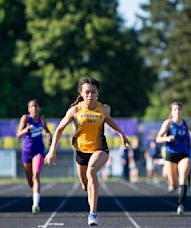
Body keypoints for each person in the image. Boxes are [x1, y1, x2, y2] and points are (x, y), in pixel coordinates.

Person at [44, 77, 130, 226]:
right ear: (81, 93)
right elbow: (59, 129)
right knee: (85, 184)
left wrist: (122, 134)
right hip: (81, 151)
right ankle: (90, 193)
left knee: (91, 172)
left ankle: (93, 213)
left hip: (99, 149)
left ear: (98, 94)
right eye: (87, 92)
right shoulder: (75, 110)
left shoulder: (103, 109)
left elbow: (109, 120)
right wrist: (52, 151)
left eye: (93, 92)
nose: (90, 95)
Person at [156, 101, 191, 215]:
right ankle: (171, 184)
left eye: (179, 109)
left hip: (184, 154)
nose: (178, 112)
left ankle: (181, 205)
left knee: (183, 177)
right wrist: (167, 139)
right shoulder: (168, 123)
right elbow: (158, 139)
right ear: (171, 112)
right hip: (171, 155)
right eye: (175, 109)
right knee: (174, 184)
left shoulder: (187, 123)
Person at [16, 99, 52, 214]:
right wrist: (26, 129)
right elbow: (18, 134)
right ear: (28, 109)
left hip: (38, 151)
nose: (34, 108)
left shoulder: (42, 120)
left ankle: (35, 205)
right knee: (30, 181)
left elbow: (47, 131)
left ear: (39, 108)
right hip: (26, 151)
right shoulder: (25, 119)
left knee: (36, 175)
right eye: (32, 106)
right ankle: (33, 188)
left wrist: (49, 136)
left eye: (36, 106)